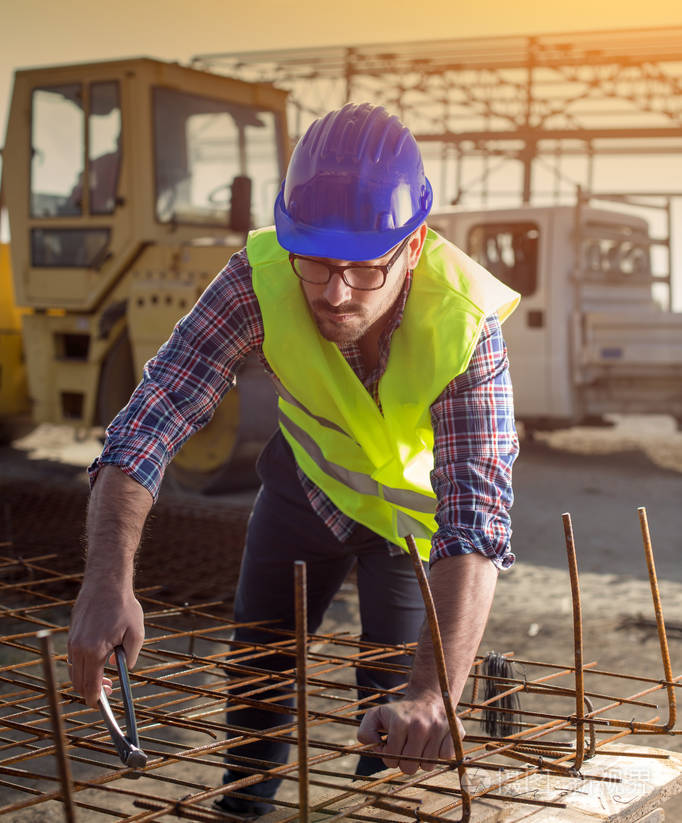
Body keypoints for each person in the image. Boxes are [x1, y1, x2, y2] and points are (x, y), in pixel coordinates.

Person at [68, 102, 520, 819]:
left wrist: (436, 692)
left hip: (411, 527)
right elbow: (152, 418)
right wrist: (106, 579)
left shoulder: (463, 321)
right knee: (257, 679)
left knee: (397, 712)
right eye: (314, 260)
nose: (334, 293)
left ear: (413, 245)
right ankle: (242, 810)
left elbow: (476, 511)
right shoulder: (261, 274)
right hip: (301, 493)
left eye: (365, 269)